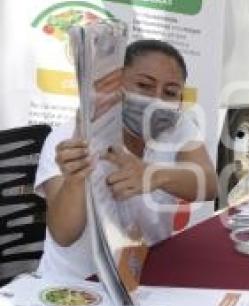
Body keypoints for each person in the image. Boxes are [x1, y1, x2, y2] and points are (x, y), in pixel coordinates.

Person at [35, 39, 217, 280]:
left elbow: (209, 184)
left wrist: (154, 176)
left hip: (148, 272)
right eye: (144, 85)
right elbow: (64, 234)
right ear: (116, 83)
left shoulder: (179, 126)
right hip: (78, 284)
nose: (156, 100)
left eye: (170, 92)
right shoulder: (69, 141)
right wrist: (75, 180)